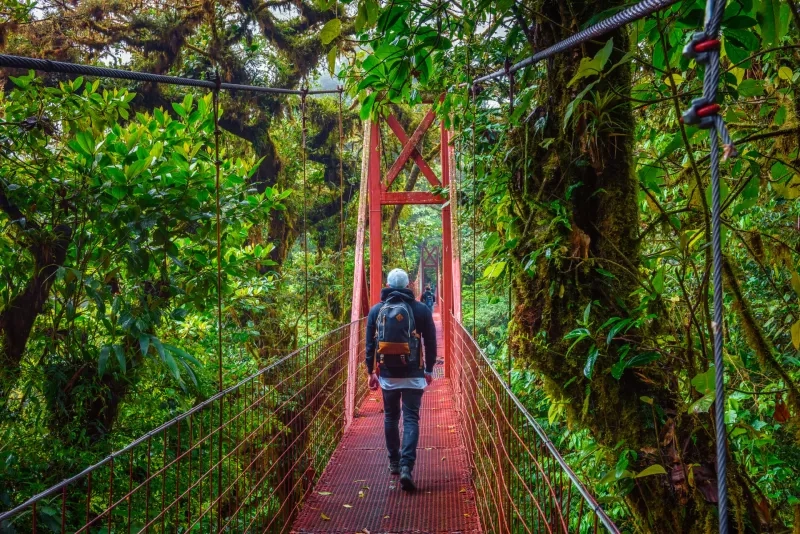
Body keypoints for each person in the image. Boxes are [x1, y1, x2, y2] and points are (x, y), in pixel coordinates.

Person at [366, 268, 437, 492]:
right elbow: (431, 342)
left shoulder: (376, 310)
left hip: (387, 374)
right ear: (409, 286)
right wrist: (429, 368)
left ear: (387, 285)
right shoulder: (422, 310)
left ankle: (394, 462)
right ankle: (407, 466)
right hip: (414, 374)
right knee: (411, 419)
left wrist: (371, 372)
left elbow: (370, 346)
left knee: (390, 417)